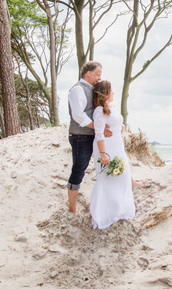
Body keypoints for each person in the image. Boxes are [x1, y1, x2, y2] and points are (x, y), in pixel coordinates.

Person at [89, 80, 136, 229]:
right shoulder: (99, 111)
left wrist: (120, 125)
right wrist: (103, 155)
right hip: (105, 148)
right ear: (105, 93)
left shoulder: (112, 107)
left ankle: (119, 210)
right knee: (107, 179)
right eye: (111, 90)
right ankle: (103, 213)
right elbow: (99, 134)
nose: (114, 92)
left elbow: (116, 120)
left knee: (122, 177)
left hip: (117, 146)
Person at [66, 61, 110, 215]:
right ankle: (72, 208)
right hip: (80, 137)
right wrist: (98, 128)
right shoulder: (77, 90)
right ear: (88, 73)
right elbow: (78, 115)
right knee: (79, 170)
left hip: (93, 136)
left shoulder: (92, 89)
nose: (99, 78)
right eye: (97, 74)